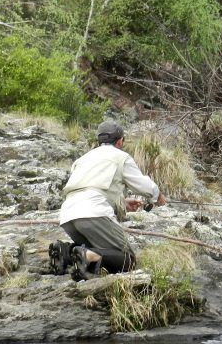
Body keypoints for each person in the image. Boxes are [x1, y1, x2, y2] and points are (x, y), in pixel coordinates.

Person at [49, 120, 166, 280]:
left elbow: (89, 188)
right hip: (94, 213)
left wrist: (123, 202)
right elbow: (144, 185)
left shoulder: (82, 159)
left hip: (68, 215)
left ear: (100, 140)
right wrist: (158, 197)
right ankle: (86, 255)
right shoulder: (120, 157)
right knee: (127, 259)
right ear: (120, 141)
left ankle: (66, 252)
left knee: (100, 247)